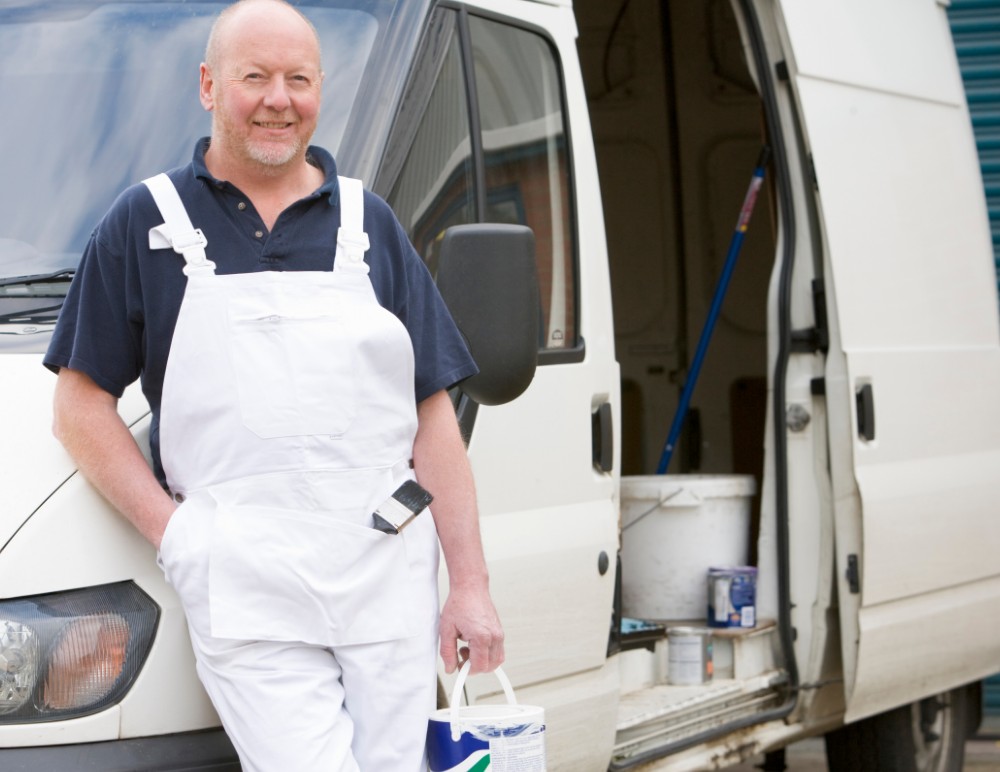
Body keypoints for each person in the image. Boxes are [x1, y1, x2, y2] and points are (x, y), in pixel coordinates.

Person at [43, 0, 504, 769]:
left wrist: (470, 585)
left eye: (297, 79)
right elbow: (78, 407)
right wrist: (176, 534)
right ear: (208, 85)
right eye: (253, 77)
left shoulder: (368, 223)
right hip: (244, 583)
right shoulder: (146, 222)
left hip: (385, 576)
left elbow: (432, 420)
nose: (277, 99)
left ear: (322, 88)